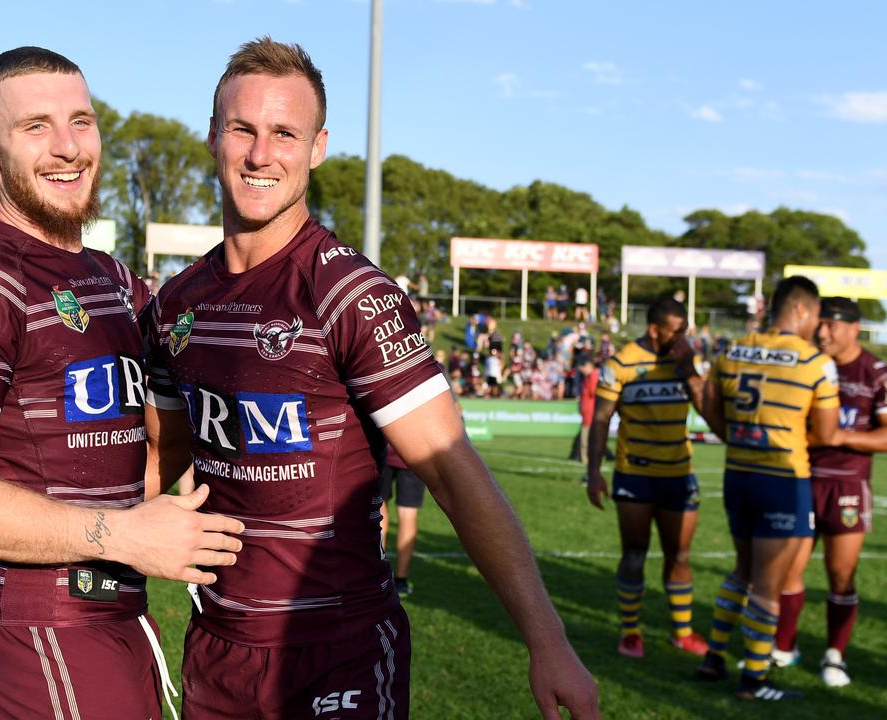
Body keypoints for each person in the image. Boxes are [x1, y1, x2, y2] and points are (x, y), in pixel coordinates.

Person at [144, 37, 597, 719]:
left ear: (317, 147)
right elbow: (154, 460)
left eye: (284, 133)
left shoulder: (351, 295)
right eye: (243, 129)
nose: (261, 154)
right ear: (213, 136)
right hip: (218, 648)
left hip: (338, 650)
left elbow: (449, 469)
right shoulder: (177, 303)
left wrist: (547, 638)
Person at [0, 46, 244, 720]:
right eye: (36, 128)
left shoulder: (109, 276)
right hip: (42, 626)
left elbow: (139, 446)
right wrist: (122, 537)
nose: (67, 147)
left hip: (112, 612)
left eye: (81, 122)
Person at [695, 275, 839, 700]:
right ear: (800, 310)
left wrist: (740, 437)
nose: (817, 325)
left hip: (737, 473)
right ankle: (754, 679)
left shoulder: (732, 351)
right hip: (782, 477)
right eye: (815, 315)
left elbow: (711, 412)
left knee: (742, 571)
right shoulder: (815, 362)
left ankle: (714, 656)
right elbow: (827, 434)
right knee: (767, 585)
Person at [586, 298, 709, 659]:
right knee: (635, 555)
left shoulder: (687, 362)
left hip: (679, 474)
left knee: (680, 556)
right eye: (677, 331)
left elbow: (705, 406)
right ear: (655, 330)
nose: (683, 337)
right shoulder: (620, 363)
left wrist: (690, 370)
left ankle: (682, 632)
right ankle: (631, 632)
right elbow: (600, 419)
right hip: (635, 475)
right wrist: (594, 472)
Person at [772, 297, 885, 687]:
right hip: (802, 479)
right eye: (821, 325)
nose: (823, 333)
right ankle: (784, 647)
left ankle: (835, 655)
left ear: (854, 327)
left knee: (840, 574)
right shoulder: (811, 365)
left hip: (848, 485)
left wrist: (839, 435)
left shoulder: (876, 372)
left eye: (832, 325)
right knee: (789, 569)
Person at [378, 443, 427, 596]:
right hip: (414, 452)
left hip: (384, 449)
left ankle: (379, 576)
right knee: (408, 515)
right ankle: (401, 581)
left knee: (380, 512)